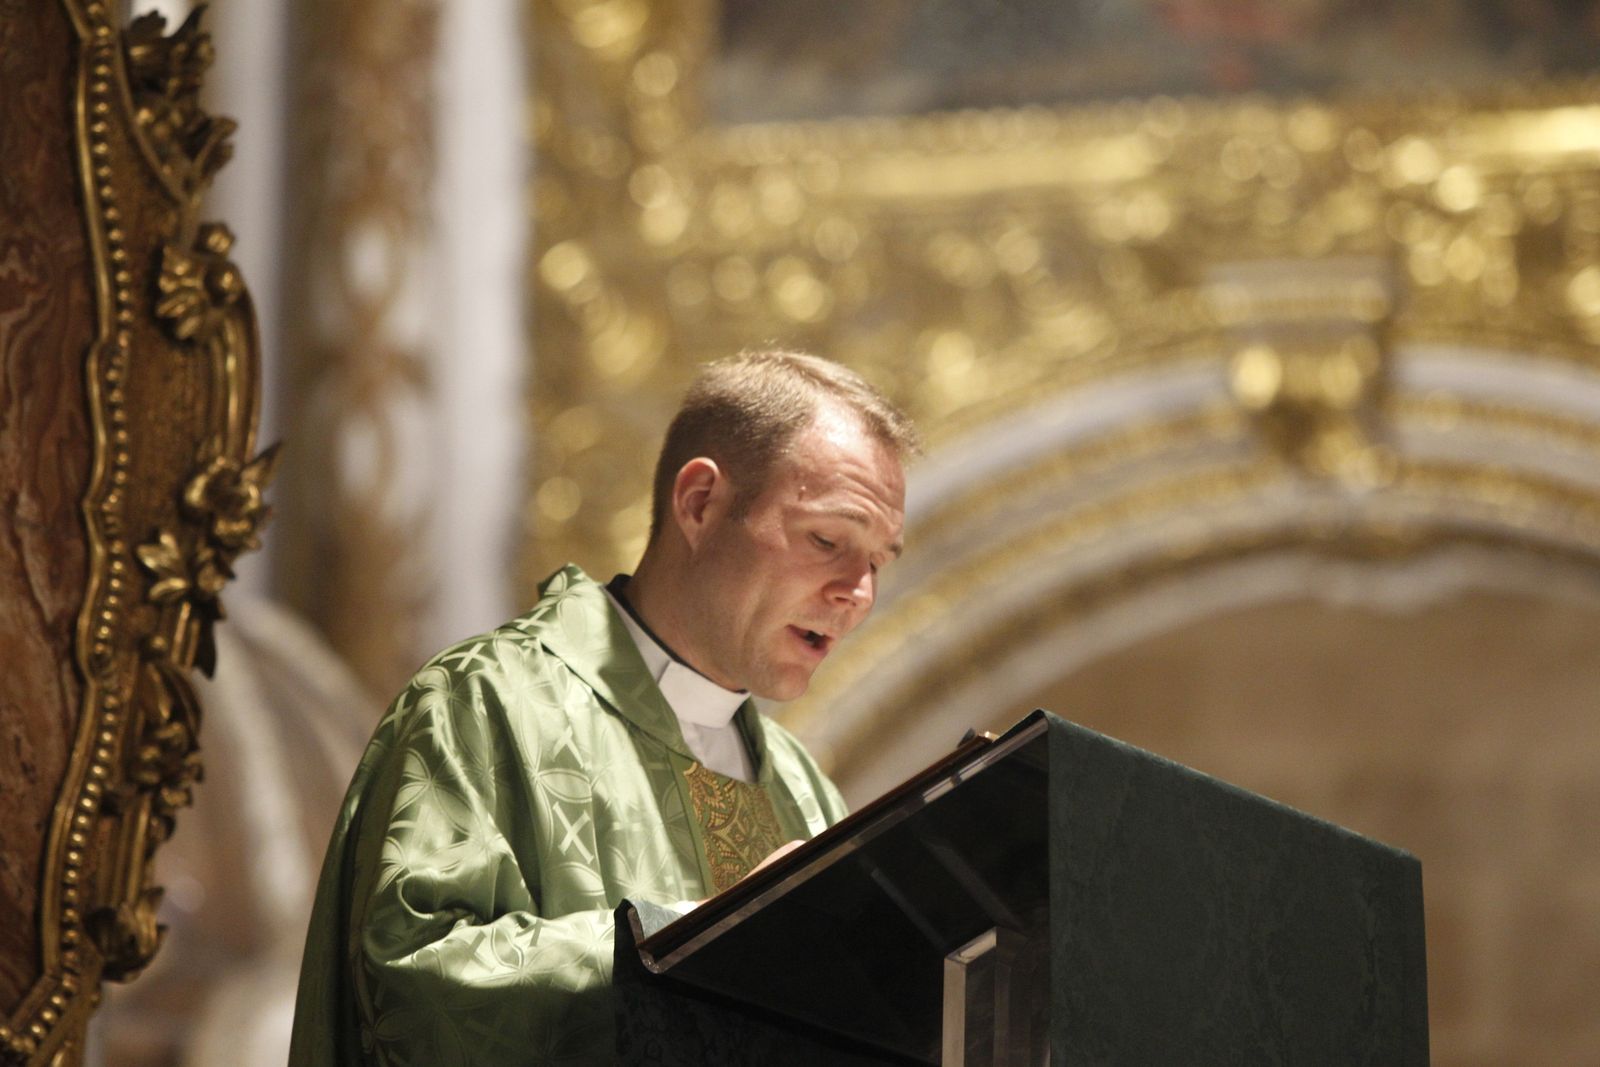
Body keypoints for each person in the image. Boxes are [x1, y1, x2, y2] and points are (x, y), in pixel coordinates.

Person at [288, 350, 918, 1066]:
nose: (857, 592)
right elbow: (408, 990)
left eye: (877, 562)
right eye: (828, 540)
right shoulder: (488, 703)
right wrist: (692, 939)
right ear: (701, 503)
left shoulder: (803, 791)